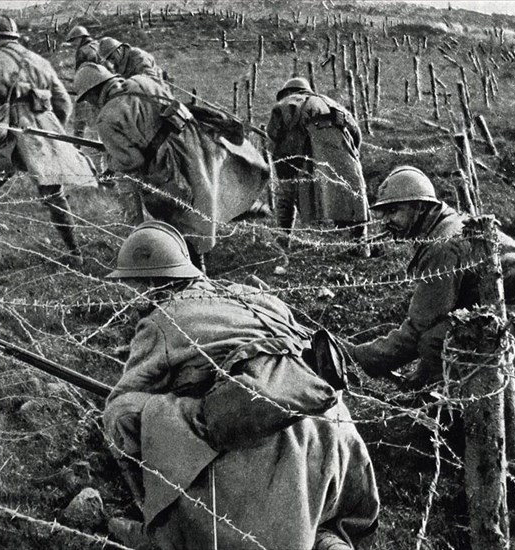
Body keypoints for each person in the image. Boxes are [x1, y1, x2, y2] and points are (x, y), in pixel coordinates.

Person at [103, 220, 380, 550]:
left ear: (150, 284)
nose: (130, 296)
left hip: (270, 435)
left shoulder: (160, 321)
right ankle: (326, 541)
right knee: (314, 522)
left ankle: (161, 528)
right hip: (330, 430)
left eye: (132, 286)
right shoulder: (249, 294)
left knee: (122, 414)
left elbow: (125, 396)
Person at [344, 166, 515, 456]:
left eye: (394, 211)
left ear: (419, 207)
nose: (386, 221)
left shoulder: (442, 244)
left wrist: (360, 356)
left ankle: (474, 435)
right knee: (443, 338)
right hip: (513, 297)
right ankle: (454, 414)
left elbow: (418, 330)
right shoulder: (441, 227)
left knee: (445, 343)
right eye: (383, 213)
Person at [74, 62, 270, 266]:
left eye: (88, 98)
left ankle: (194, 267)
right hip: (194, 142)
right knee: (210, 191)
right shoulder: (142, 81)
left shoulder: (107, 119)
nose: (90, 103)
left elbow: (132, 160)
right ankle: (244, 208)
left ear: (94, 92)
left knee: (181, 214)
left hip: (167, 163)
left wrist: (111, 160)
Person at [0, 16, 97, 266]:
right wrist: (50, 125)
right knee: (54, 193)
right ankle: (75, 252)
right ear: (15, 37)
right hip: (42, 134)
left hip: (9, 136)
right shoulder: (40, 60)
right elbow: (64, 103)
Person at [267, 77, 370, 252]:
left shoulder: (285, 104)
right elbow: (356, 133)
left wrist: (281, 159)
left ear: (288, 92)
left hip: (303, 156)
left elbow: (273, 133)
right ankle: (361, 247)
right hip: (342, 153)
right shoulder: (331, 103)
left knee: (286, 194)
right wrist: (350, 156)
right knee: (353, 197)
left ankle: (282, 243)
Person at [65, 25, 101, 140]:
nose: (73, 44)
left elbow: (80, 73)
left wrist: (76, 86)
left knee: (79, 120)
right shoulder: (98, 45)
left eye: (74, 40)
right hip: (101, 87)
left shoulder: (82, 51)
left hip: (87, 89)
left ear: (81, 37)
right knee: (97, 121)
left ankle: (77, 144)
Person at [97, 37, 163, 81]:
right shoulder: (118, 63)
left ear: (119, 49)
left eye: (112, 58)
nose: (112, 62)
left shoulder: (139, 58)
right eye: (108, 60)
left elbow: (151, 81)